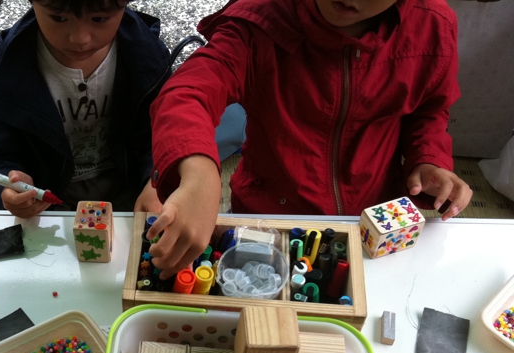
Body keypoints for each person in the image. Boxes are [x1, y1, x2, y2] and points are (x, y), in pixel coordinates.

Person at [147, 0, 473, 277]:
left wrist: (428, 158)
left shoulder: (433, 24)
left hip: (372, 215)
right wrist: (200, 172)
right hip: (271, 212)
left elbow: (429, 109)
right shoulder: (258, 20)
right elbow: (187, 93)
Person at [0, 0, 170, 217]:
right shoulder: (6, 67)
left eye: (99, 19)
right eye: (59, 18)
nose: (80, 39)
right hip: (44, 198)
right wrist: (7, 187)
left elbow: (161, 138)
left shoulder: (148, 58)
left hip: (129, 187)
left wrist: (155, 181)